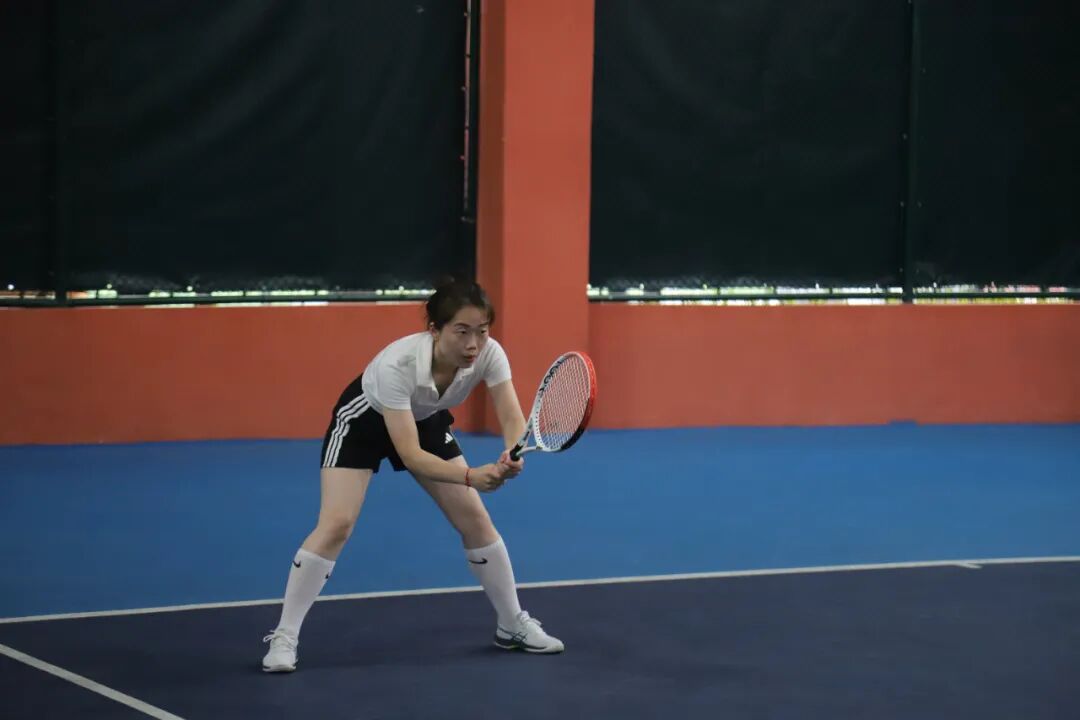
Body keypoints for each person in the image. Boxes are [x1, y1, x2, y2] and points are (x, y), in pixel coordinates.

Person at [261, 278, 564, 672]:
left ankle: (511, 624)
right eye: (462, 331)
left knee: (475, 519)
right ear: (435, 330)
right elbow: (412, 456)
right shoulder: (399, 365)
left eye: (482, 331)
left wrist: (512, 452)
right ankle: (284, 636)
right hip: (363, 423)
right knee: (336, 524)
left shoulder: (490, 354)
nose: (473, 344)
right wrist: (471, 476)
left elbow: (510, 416)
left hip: (424, 419)